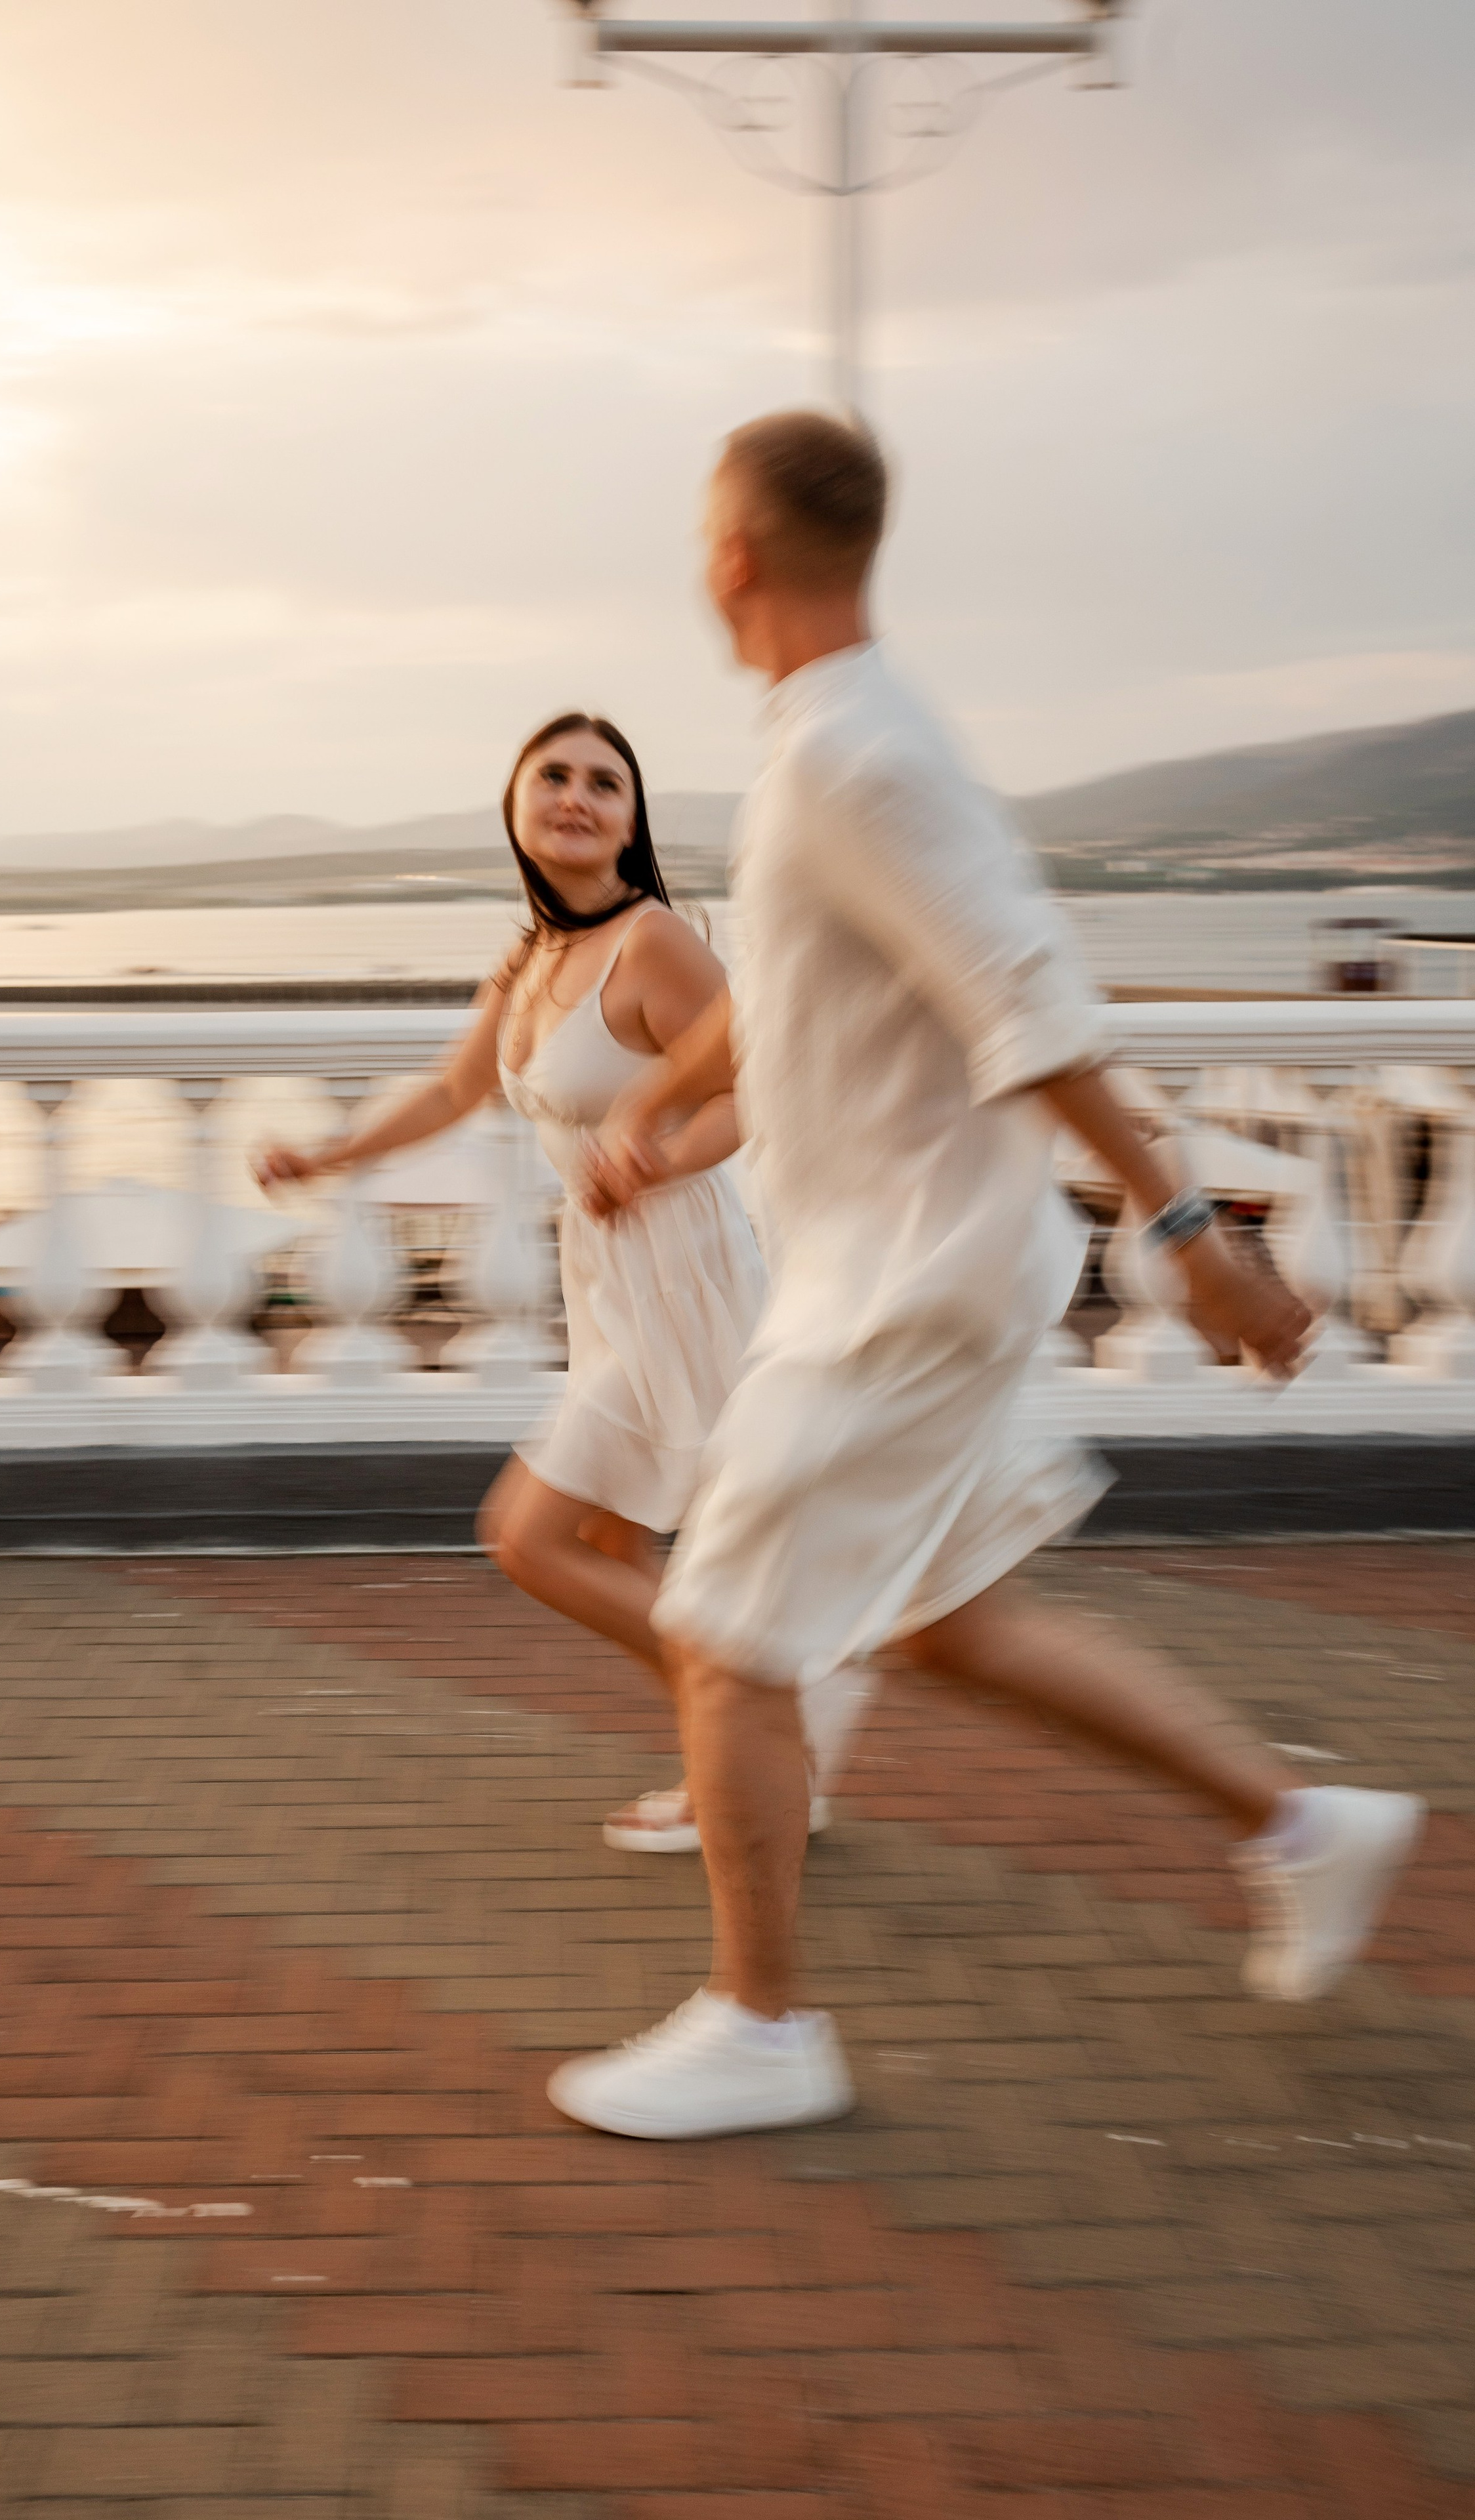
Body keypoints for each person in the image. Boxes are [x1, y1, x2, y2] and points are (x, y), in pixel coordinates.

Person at [549, 412, 1424, 2141]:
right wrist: (656, 1102)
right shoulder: (834, 748)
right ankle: (1309, 1830)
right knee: (950, 1626)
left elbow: (1028, 997)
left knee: (724, 1637)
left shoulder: (854, 755)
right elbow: (786, 991)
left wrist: (1195, 1241)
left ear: (732, 558)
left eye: (700, 545)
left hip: (903, 1286)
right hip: (903, 1266)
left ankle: (763, 2025)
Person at [254, 710, 869, 1850]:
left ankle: (764, 1715)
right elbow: (450, 1093)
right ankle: (739, 1766)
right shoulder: (533, 957)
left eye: (604, 784)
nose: (576, 797)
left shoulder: (654, 945)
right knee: (615, 1547)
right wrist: (327, 1156)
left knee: (530, 1535)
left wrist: (654, 1159)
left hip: (683, 1271)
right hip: (607, 1284)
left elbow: (757, 1090)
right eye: (555, 777)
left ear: (631, 824)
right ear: (517, 805)